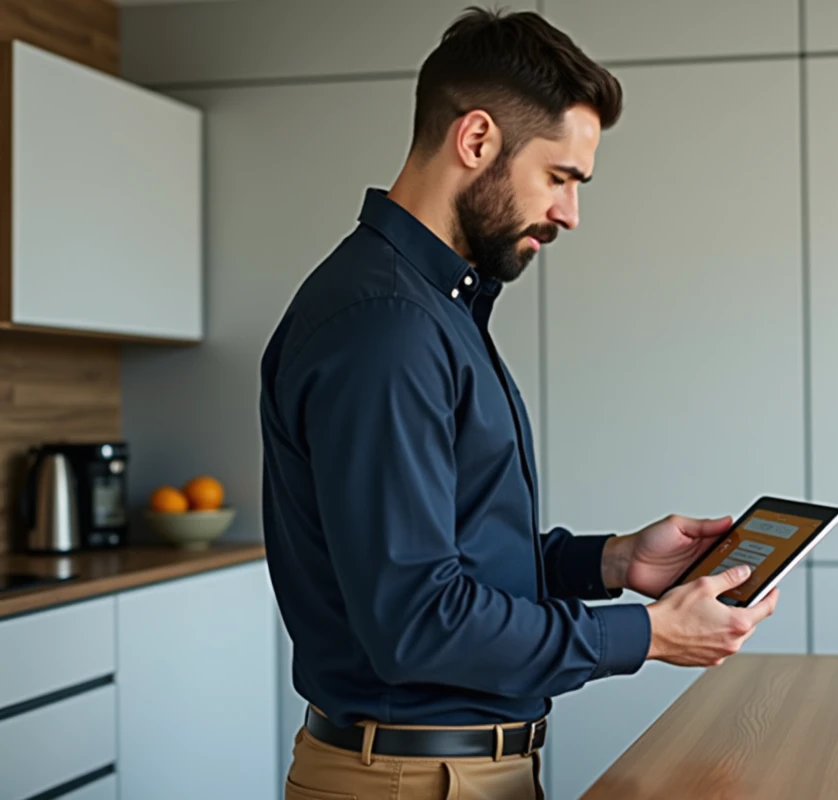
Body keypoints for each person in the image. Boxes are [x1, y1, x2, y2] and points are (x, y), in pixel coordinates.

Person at [258, 7, 779, 799]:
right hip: (411, 780)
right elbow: (418, 622)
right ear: (476, 141)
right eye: (560, 177)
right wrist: (650, 634)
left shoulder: (433, 310)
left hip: (446, 771)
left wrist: (609, 562)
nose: (569, 212)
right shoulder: (387, 328)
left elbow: (454, 561)